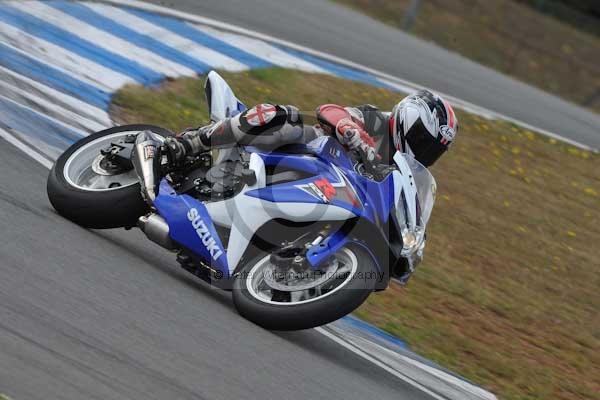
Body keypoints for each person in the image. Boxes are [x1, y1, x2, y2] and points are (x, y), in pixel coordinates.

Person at [132, 90, 458, 204]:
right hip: (302, 151)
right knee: (281, 117)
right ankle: (183, 145)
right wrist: (354, 135)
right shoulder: (376, 121)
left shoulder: (401, 175)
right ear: (407, 120)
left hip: (319, 192)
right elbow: (330, 111)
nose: (423, 153)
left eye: (432, 151)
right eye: (421, 142)